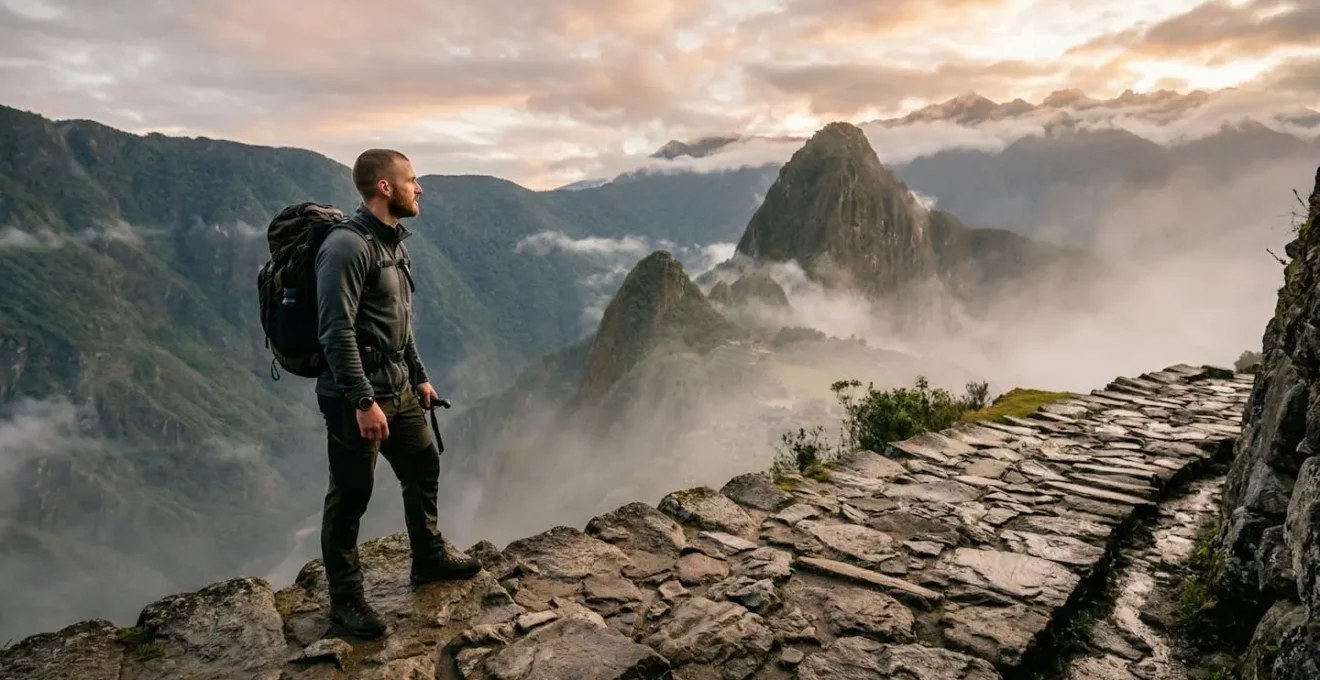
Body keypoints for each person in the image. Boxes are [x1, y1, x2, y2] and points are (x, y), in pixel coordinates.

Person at [313, 148, 481, 638]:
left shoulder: (394, 244)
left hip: (400, 387)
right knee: (351, 497)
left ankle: (428, 558)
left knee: (423, 464)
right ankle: (345, 601)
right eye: (411, 179)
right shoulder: (347, 246)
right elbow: (335, 331)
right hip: (356, 396)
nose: (419, 187)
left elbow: (399, 324)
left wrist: (420, 375)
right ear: (385, 187)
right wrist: (362, 401)